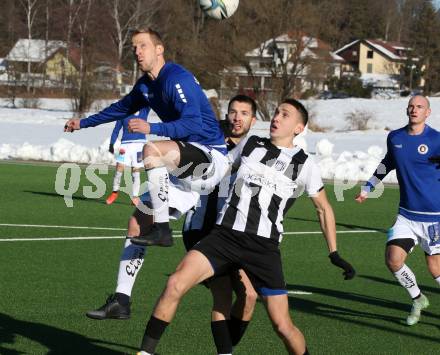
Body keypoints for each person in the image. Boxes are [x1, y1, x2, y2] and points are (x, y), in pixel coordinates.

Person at [137, 98, 355, 355]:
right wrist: (175, 173)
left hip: (263, 248)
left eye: (285, 115)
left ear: (298, 128)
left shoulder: (305, 164)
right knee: (175, 283)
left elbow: (324, 208)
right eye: (275, 112)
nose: (276, 118)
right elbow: (215, 170)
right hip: (224, 237)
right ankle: (145, 353)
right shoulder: (251, 145)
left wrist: (334, 253)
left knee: (282, 325)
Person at [85, 95, 258, 336]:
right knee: (136, 223)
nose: (237, 118)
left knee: (246, 294)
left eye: (244, 113)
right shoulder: (209, 128)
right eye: (233, 111)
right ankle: (121, 299)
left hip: (222, 223)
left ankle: (230, 344)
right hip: (184, 191)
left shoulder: (254, 147)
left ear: (254, 119)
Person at [64, 27, 229, 247]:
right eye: (134, 47)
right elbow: (119, 109)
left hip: (211, 157)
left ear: (159, 49)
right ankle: (123, 283)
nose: (137, 52)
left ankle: (162, 230)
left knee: (151, 149)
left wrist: (150, 127)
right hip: (181, 163)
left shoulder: (176, 78)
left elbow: (192, 124)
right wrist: (83, 123)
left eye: (143, 46)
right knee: (136, 225)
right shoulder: (145, 86)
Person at [355, 95, 440, 326]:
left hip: (434, 218)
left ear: (428, 112)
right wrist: (369, 186)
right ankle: (418, 298)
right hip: (406, 215)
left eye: (420, 107)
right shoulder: (395, 137)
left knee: (435, 268)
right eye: (411, 106)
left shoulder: (436, 140)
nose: (414, 110)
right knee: (393, 260)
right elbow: (387, 163)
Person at [106, 108, 149, 206]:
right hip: (124, 145)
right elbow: (116, 130)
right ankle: (114, 192)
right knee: (119, 167)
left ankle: (135, 197)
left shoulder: (144, 111)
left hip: (139, 145)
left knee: (136, 170)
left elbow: (152, 99)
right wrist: (111, 144)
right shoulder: (123, 112)